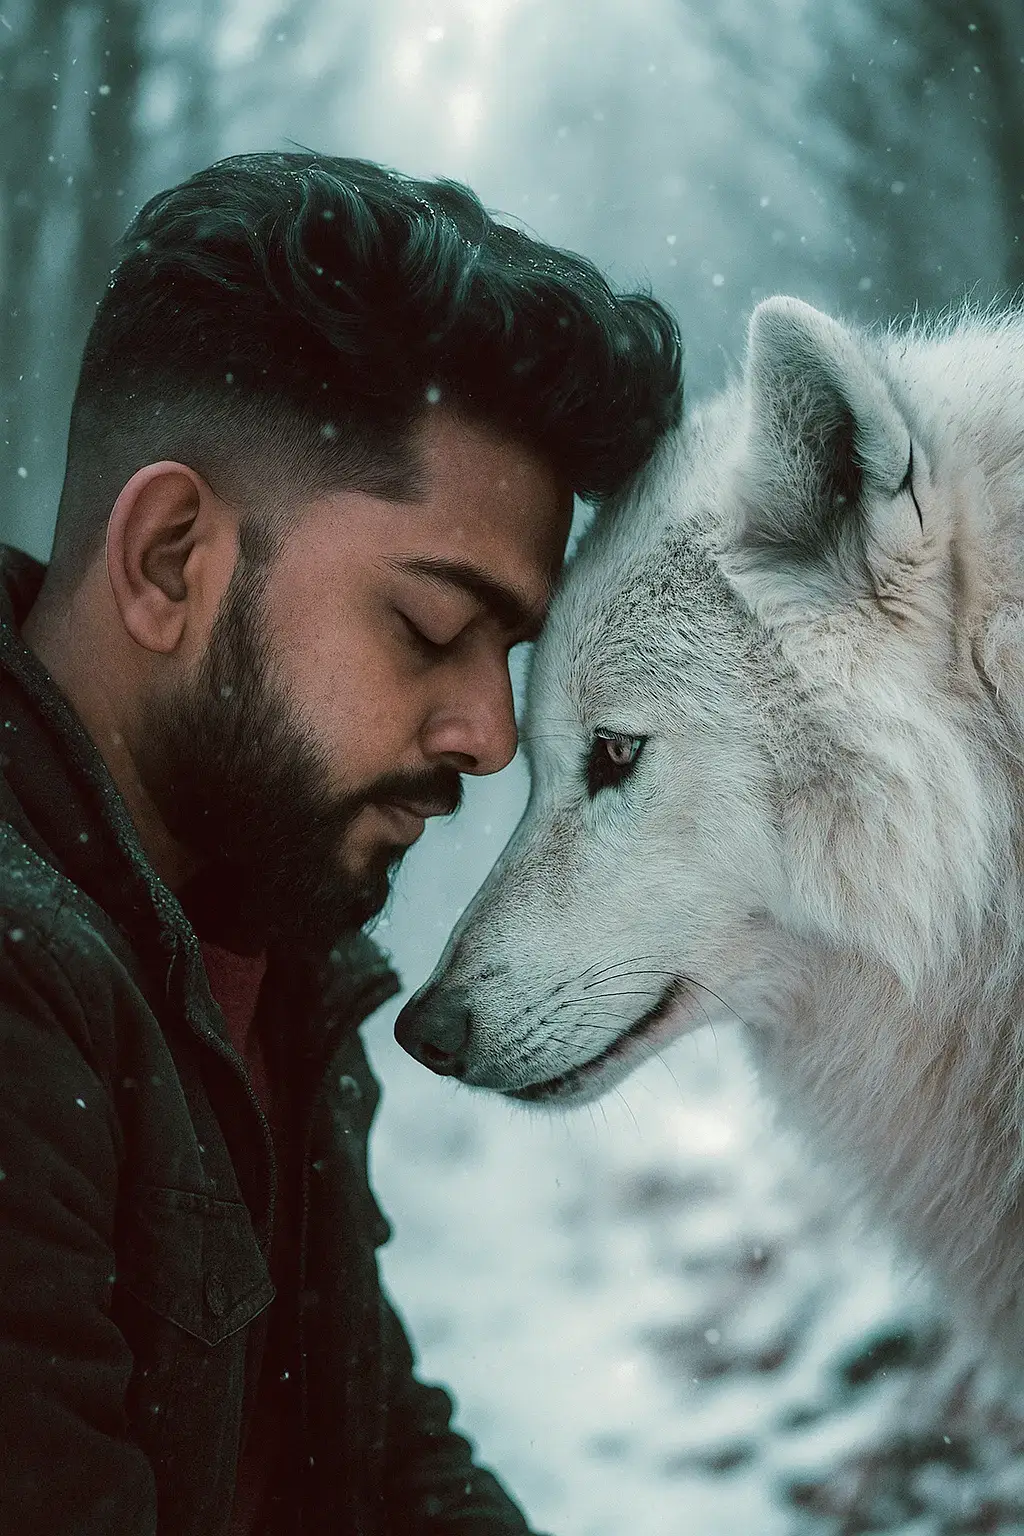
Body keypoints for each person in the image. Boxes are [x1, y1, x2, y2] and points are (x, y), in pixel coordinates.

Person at [0, 150, 682, 1535]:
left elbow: (364, 1459)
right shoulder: (23, 994)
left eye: (509, 654)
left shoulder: (258, 937)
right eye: (431, 630)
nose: (491, 737)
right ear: (170, 559)